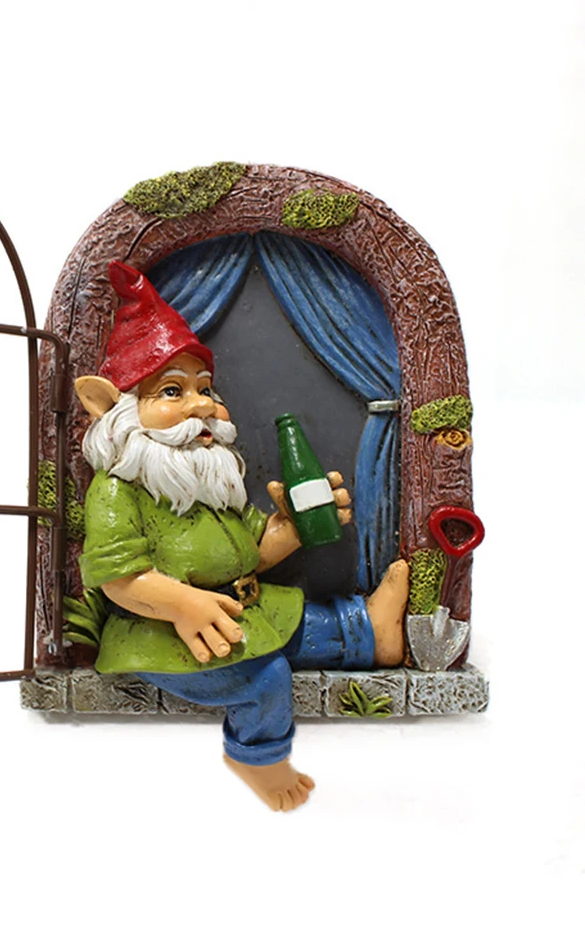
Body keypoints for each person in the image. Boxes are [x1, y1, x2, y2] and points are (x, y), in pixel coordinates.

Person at [74, 261, 409, 812]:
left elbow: (254, 549)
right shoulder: (118, 489)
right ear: (117, 411)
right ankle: (260, 759)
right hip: (163, 636)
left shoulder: (207, 477)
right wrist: (181, 604)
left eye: (206, 389)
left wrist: (290, 529)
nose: (203, 405)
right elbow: (119, 577)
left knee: (303, 623)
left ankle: (373, 632)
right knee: (265, 676)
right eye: (173, 391)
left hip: (241, 611)